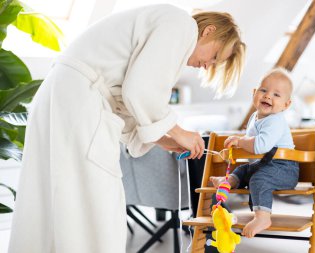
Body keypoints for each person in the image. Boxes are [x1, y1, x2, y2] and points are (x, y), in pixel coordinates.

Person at [9, 4, 245, 253]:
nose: (208, 65)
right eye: (216, 56)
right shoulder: (180, 24)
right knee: (96, 202)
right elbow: (140, 89)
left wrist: (162, 138)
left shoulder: (163, 27)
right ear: (208, 31)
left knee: (55, 199)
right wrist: (179, 131)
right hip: (79, 102)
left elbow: (127, 96)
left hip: (61, 97)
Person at [210, 68, 299, 238]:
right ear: (254, 93)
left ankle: (263, 217)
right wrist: (236, 145)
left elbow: (260, 146)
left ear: (286, 105)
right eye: (263, 90)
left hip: (284, 169)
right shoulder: (254, 117)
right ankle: (229, 181)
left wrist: (240, 141)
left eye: (276, 95)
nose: (267, 96)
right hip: (263, 165)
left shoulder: (275, 120)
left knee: (259, 178)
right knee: (243, 170)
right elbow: (250, 143)